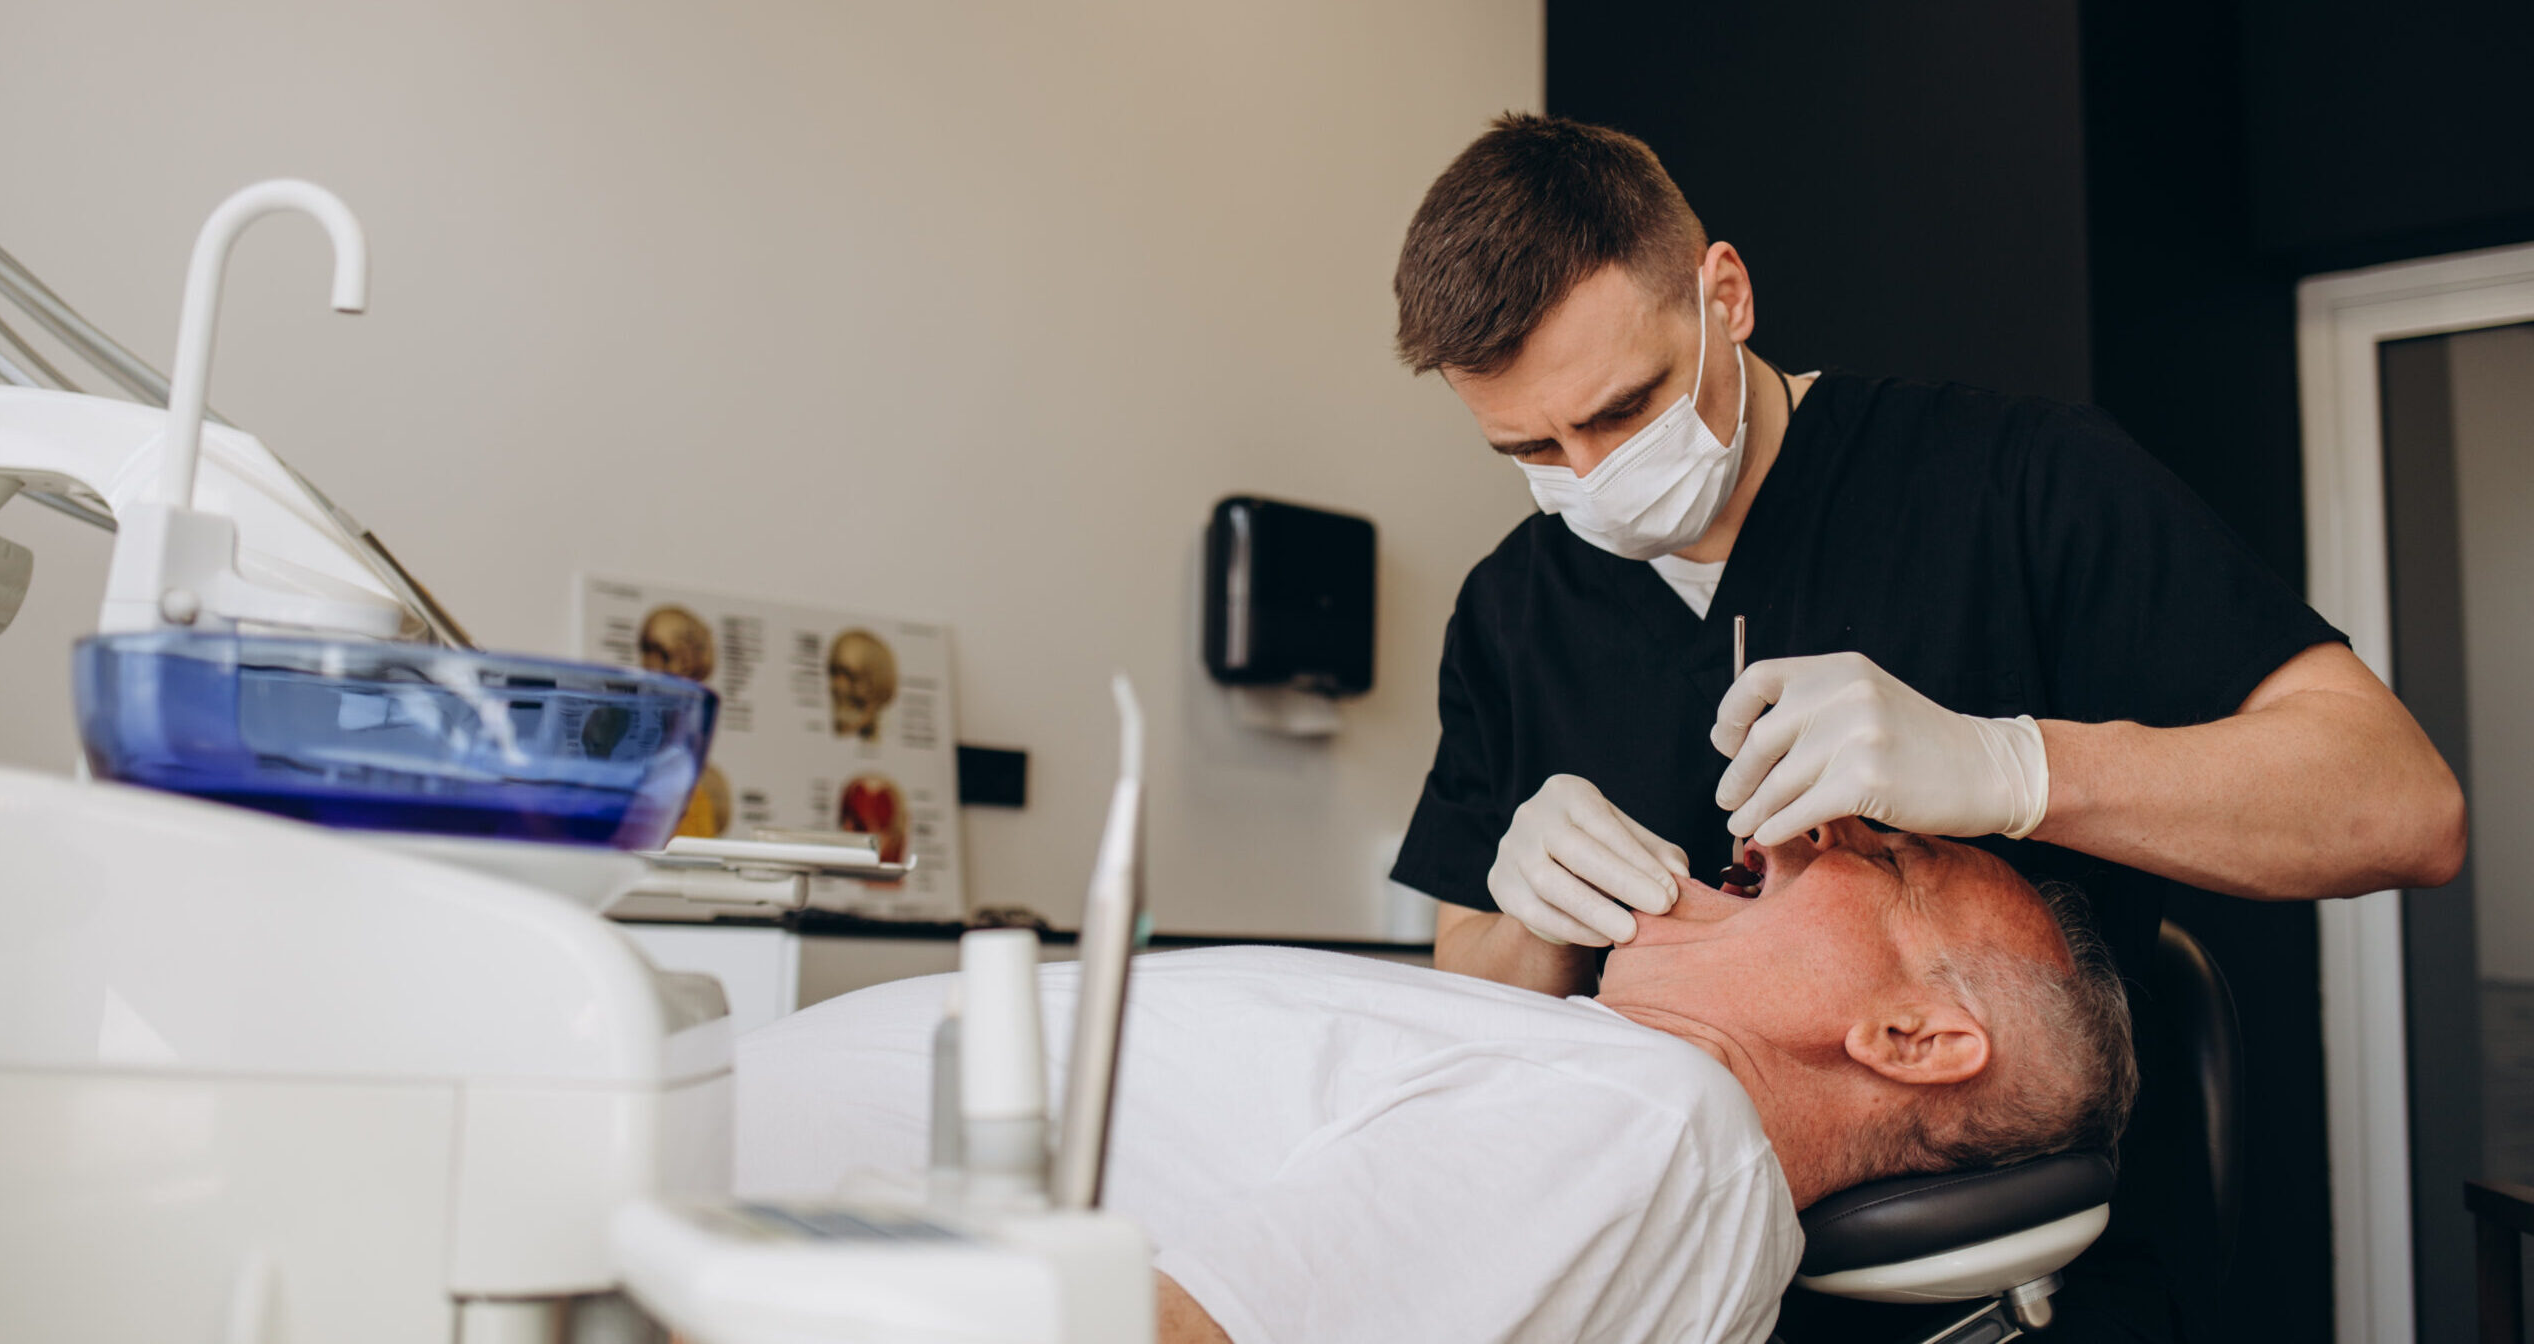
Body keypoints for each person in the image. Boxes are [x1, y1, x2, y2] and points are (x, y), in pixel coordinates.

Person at [1384, 114, 2465, 1339]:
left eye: (1625, 411)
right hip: (1649, 1285)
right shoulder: (1510, 610)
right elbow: (1468, 981)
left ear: (1723, 296)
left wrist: (2015, 766)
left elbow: (2402, 809)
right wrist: (1529, 921)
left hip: (2015, 1294)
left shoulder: (2017, 482)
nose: (1589, 474)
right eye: (1530, 447)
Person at [735, 819, 2137, 1344]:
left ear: (1912, 1040)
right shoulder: (1596, 1086)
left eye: (1875, 859)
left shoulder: (1657, 1129)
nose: (1794, 826)